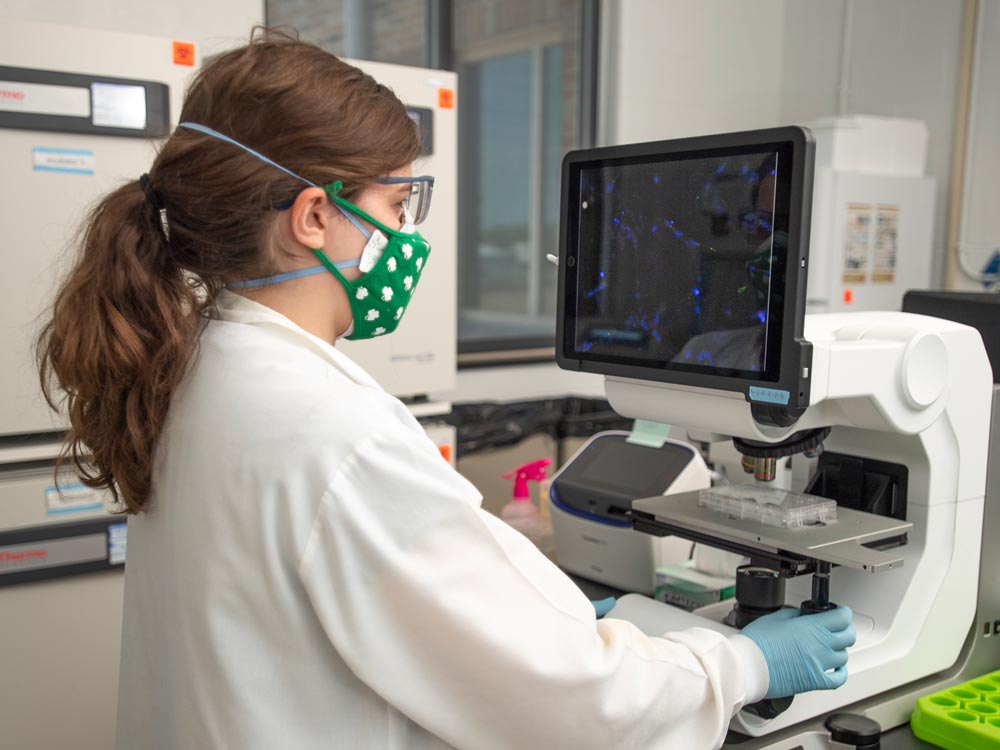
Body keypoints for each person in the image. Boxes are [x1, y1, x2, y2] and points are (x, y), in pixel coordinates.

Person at [37, 31, 854, 750]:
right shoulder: (332, 431)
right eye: (398, 203)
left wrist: (541, 628)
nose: (408, 235)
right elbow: (576, 709)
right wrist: (744, 663)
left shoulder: (196, 364)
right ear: (314, 216)